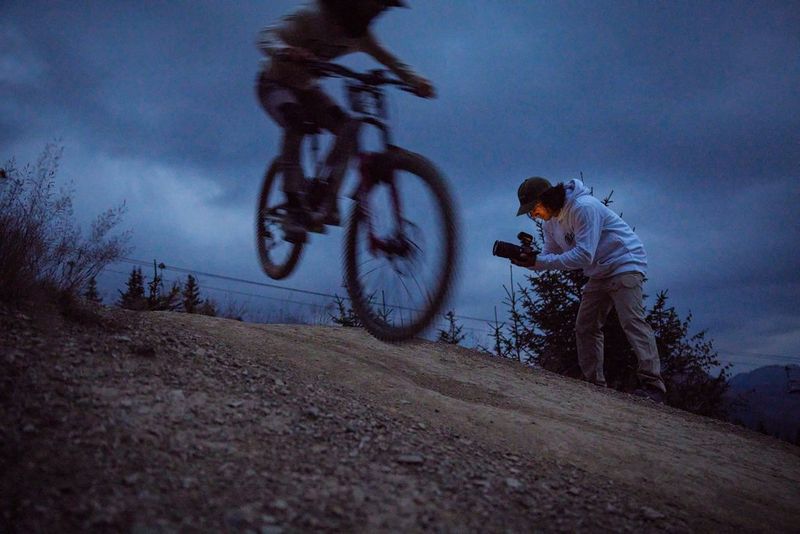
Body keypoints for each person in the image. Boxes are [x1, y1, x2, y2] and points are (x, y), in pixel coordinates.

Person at [256, 0, 435, 241]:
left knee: (348, 128)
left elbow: (390, 60)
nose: (376, 14)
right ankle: (293, 206)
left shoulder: (360, 36)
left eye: (382, 10)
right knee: (295, 121)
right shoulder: (312, 16)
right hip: (273, 84)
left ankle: (326, 195)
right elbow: (266, 36)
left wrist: (417, 81)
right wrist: (284, 50)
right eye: (375, 7)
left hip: (308, 89)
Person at [512, 176, 667, 403]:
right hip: (599, 272)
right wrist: (529, 260)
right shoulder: (550, 223)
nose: (533, 215)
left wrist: (540, 263)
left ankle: (654, 385)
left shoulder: (584, 208)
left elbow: (584, 254)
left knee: (632, 321)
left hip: (624, 263)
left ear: (547, 198)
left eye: (534, 208)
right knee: (585, 326)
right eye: (530, 212)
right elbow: (550, 255)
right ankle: (594, 383)